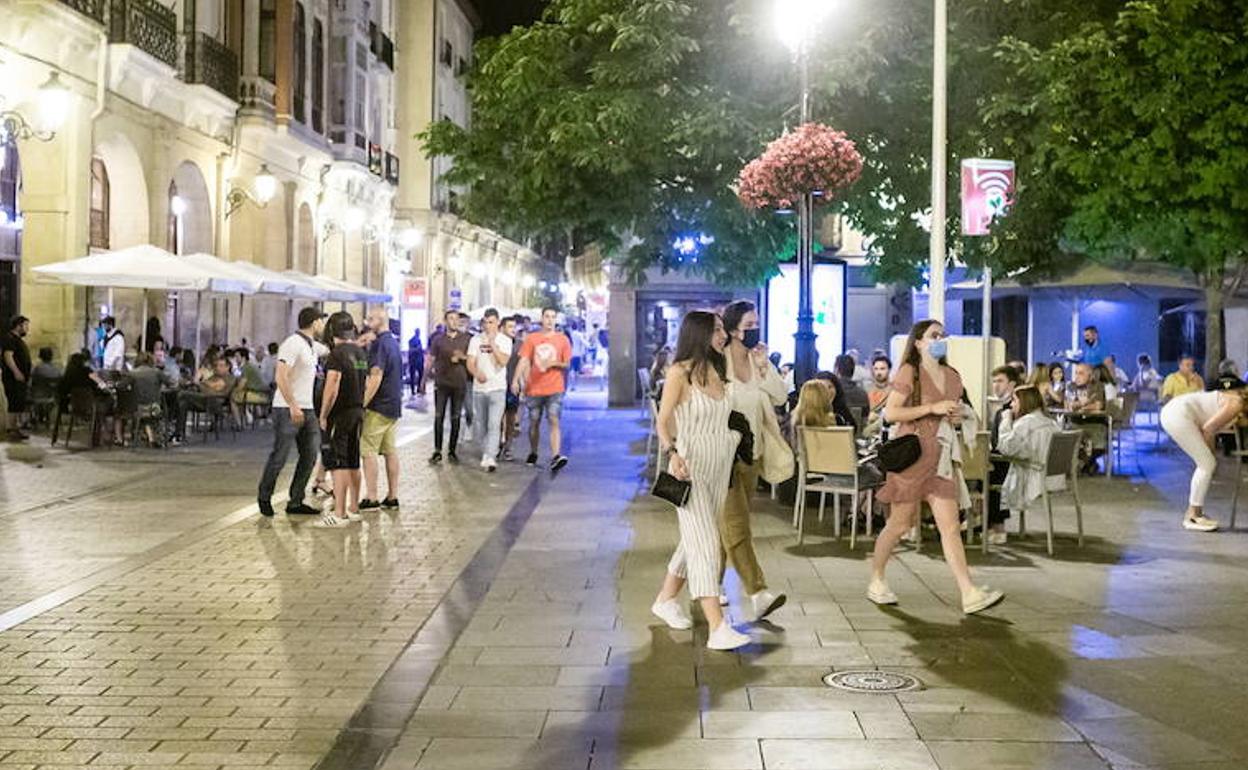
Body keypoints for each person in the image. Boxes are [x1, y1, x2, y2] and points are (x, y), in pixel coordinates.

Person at [869, 319, 1004, 615]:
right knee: (899, 524)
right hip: (912, 458)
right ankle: (877, 578)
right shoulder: (909, 372)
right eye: (933, 335)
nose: (940, 339)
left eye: (942, 335)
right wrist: (931, 408)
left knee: (951, 526)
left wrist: (957, 418)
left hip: (941, 458)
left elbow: (958, 413)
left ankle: (968, 592)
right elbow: (891, 413)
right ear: (918, 342)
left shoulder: (952, 377)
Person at [651, 310, 751, 651]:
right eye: (718, 329)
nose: (723, 334)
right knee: (706, 542)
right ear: (700, 333)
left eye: (723, 328)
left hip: (719, 467)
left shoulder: (717, 368)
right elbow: (663, 421)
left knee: (693, 539)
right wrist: (672, 453)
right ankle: (717, 626)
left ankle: (666, 598)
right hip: (690, 468)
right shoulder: (679, 373)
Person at [720, 301, 788, 621]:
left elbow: (780, 397)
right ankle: (758, 592)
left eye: (757, 323)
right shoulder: (718, 362)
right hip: (723, 455)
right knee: (737, 524)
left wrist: (763, 366)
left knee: (726, 526)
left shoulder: (756, 358)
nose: (754, 330)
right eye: (749, 324)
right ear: (733, 329)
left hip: (753, 453)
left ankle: (706, 583)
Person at [257, 307, 326, 518]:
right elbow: (281, 376)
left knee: (310, 455)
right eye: (321, 322)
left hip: (308, 409)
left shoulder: (311, 346)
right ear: (314, 323)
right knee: (280, 455)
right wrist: (293, 405)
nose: (322, 325)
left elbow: (330, 350)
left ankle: (296, 500)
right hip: (287, 408)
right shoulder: (292, 344)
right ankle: (264, 497)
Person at [1161, 387, 1248, 532]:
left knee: (1207, 463)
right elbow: (1208, 429)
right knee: (1207, 464)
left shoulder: (1235, 398)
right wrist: (1211, 454)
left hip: (1175, 411)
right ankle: (1192, 515)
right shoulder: (1236, 403)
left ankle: (1196, 513)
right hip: (1178, 415)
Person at [318, 311, 368, 527]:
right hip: (358, 411)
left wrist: (324, 413)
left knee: (339, 462)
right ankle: (353, 508)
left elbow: (332, 385)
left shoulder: (336, 355)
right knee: (353, 460)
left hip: (341, 413)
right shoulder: (360, 353)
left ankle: (339, 513)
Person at [512, 307, 572, 471]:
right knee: (534, 422)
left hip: (555, 387)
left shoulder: (562, 340)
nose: (550, 320)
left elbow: (567, 363)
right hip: (534, 387)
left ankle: (555, 455)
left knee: (553, 418)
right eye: (547, 316)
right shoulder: (532, 339)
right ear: (542, 318)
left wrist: (553, 363)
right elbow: (524, 360)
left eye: (553, 317)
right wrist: (516, 380)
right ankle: (533, 451)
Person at [996, 385, 1061, 526]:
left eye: (1014, 400)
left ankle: (994, 526)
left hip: (1035, 477)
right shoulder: (1051, 422)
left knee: (993, 474)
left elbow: (1005, 447)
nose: (1012, 405)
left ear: (1024, 402)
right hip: (1054, 477)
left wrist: (1006, 420)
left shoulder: (1027, 423)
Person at [359, 308, 404, 509]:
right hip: (393, 405)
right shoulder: (393, 343)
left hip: (379, 405)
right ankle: (393, 495)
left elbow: (375, 377)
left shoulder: (379, 345)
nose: (368, 323)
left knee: (368, 450)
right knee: (390, 451)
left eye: (370, 319)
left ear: (380, 320)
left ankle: (372, 496)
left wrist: (363, 402)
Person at [466, 308, 513, 472]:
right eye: (485, 322)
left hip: (497, 388)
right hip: (479, 389)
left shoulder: (505, 340)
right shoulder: (475, 340)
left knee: (494, 423)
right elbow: (470, 362)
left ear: (498, 322)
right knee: (482, 424)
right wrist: (476, 373)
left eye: (491, 322)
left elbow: (503, 361)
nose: (488, 326)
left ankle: (490, 456)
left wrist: (493, 344)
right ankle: (487, 450)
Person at [986, 365, 1025, 544]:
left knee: (988, 472)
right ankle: (985, 522)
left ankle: (996, 525)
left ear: (1012, 384)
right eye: (994, 381)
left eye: (1000, 381)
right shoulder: (1004, 409)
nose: (996, 386)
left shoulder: (1012, 410)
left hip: (1016, 463)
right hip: (1015, 459)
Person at [428, 310, 471, 464]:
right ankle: (437, 450)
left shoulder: (466, 339)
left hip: (459, 383)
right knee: (438, 416)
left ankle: (452, 450)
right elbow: (431, 358)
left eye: (456, 319)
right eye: (451, 319)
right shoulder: (438, 340)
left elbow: (472, 360)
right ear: (445, 321)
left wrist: (463, 358)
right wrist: (423, 379)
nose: (454, 321)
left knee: (456, 417)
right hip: (441, 383)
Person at [171, 355, 234, 444]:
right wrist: (204, 385)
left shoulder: (230, 378)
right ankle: (179, 434)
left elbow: (215, 388)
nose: (218, 368)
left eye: (221, 365)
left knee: (182, 394)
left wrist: (204, 385)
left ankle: (170, 418)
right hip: (204, 399)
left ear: (228, 367)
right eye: (217, 365)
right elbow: (205, 385)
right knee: (183, 403)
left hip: (214, 402)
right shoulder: (214, 376)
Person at [2, 315, 31, 439]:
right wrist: (16, 372)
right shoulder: (10, 339)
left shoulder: (17, 339)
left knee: (18, 402)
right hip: (13, 377)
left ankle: (15, 428)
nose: (27, 328)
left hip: (19, 377)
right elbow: (8, 356)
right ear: (18, 325)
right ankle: (11, 429)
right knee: (14, 402)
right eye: (25, 325)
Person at [500, 315, 522, 461]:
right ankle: (497, 444)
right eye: (509, 327)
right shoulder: (496, 343)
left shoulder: (520, 344)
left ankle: (508, 446)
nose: (513, 330)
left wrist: (521, 384)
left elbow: (524, 364)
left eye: (514, 327)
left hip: (512, 385)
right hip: (497, 384)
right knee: (496, 418)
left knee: (510, 418)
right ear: (502, 328)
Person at [834, 353, 870, 423]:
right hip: (857, 432)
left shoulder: (832, 393)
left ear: (836, 370)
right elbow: (865, 418)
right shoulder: (863, 394)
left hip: (835, 432)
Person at [407, 329, 425, 396]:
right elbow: (411, 350)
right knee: (413, 376)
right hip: (415, 361)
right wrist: (418, 349)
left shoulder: (418, 340)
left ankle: (417, 389)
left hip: (417, 361)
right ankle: (414, 390)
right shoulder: (411, 340)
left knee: (419, 375)